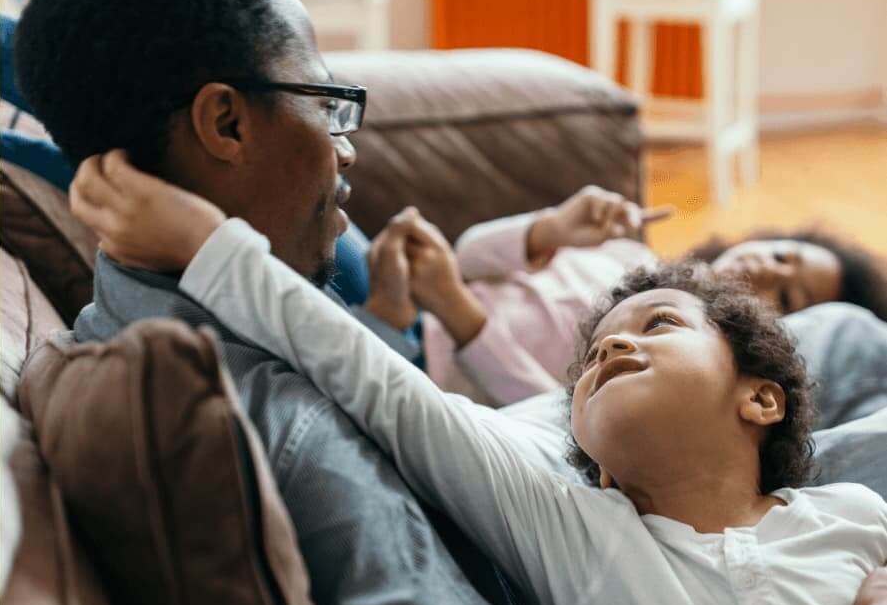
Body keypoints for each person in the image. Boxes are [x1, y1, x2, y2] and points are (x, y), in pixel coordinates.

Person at [16, 0, 887, 605]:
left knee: (839, 338)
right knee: (846, 336)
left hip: (600, 459)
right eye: (329, 103)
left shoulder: (152, 310)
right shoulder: (287, 428)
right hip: (611, 520)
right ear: (226, 121)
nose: (347, 148)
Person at [68, 156, 887, 605]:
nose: (606, 349)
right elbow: (382, 387)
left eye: (659, 326)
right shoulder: (574, 528)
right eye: (594, 353)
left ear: (760, 397)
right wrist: (211, 246)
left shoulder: (849, 508)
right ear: (585, 447)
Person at [368, 196, 887, 407]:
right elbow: (468, 257)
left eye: (786, 295)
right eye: (782, 255)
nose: (766, 271)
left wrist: (461, 315)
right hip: (408, 294)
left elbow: (554, 411)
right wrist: (552, 226)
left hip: (421, 366)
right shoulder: (626, 249)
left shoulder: (676, 353)